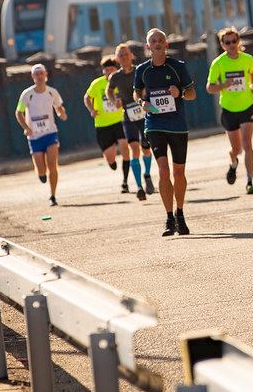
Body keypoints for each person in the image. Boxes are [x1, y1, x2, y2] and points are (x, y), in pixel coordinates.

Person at [134, 28, 197, 236]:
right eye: (154, 40)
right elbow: (137, 93)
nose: (158, 43)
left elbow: (192, 94)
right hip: (154, 124)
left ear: (166, 44)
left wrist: (180, 93)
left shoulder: (178, 66)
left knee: (179, 172)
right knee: (163, 171)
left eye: (161, 39)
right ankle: (169, 218)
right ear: (148, 46)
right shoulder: (142, 70)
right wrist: (142, 102)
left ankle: (180, 213)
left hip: (177, 125)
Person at [207, 26, 253, 194]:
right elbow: (210, 87)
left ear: (239, 41)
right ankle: (233, 164)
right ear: (222, 44)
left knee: (248, 144)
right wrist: (223, 85)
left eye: (234, 41)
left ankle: (249, 181)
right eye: (228, 42)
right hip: (229, 109)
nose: (232, 44)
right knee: (237, 149)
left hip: (247, 106)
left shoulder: (247, 59)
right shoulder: (218, 63)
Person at [107, 43, 155, 201]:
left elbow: (149, 85)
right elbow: (109, 90)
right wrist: (115, 101)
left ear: (132, 56)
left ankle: (147, 175)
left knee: (146, 148)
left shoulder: (139, 71)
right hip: (128, 116)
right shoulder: (115, 76)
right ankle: (139, 187)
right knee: (134, 148)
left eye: (126, 54)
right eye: (120, 55)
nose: (124, 57)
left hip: (144, 114)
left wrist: (145, 93)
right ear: (117, 59)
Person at [15, 64, 68, 206]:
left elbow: (58, 106)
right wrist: (26, 127)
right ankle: (40, 173)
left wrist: (61, 113)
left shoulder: (52, 92)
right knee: (41, 169)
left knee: (53, 165)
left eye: (41, 73)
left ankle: (53, 195)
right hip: (34, 136)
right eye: (36, 74)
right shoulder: (27, 94)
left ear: (46, 75)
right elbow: (18, 112)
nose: (39, 76)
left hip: (50, 133)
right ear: (32, 77)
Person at [83, 55, 129, 190]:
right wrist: (92, 110)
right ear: (103, 71)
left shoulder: (121, 81)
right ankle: (112, 162)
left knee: (125, 148)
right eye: (106, 69)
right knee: (110, 156)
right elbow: (87, 98)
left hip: (120, 120)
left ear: (116, 69)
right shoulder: (97, 84)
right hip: (103, 124)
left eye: (111, 69)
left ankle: (125, 182)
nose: (109, 72)